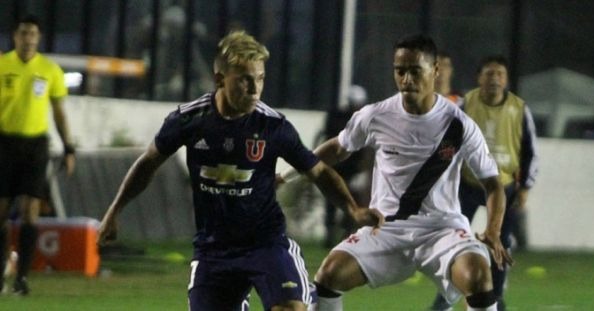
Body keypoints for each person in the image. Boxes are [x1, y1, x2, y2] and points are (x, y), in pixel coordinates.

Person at [97, 30, 382, 311]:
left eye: (260, 79)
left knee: (289, 309)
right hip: (214, 251)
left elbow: (318, 172)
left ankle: (300, 292)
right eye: (245, 79)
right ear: (220, 78)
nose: (255, 88)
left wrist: (353, 210)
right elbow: (148, 162)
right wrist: (113, 212)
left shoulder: (272, 126)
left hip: (265, 243)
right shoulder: (189, 121)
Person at [280, 34, 512, 311]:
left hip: (442, 229)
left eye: (415, 71)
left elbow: (493, 184)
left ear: (435, 71)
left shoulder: (459, 125)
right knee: (330, 274)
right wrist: (284, 176)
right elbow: (337, 149)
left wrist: (493, 231)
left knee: (478, 275)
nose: (406, 79)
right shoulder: (375, 115)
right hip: (386, 227)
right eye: (400, 71)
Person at [430, 55, 538, 311]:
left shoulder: (520, 109)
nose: (494, 79)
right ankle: (444, 300)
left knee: (500, 244)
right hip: (468, 185)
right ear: (479, 78)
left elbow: (530, 150)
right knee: (452, 241)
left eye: (499, 74)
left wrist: (525, 187)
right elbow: (449, 142)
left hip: (503, 187)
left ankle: (495, 300)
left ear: (506, 79)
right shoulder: (465, 104)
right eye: (489, 74)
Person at [0, 15, 76, 295]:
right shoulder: (2, 65)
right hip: (4, 143)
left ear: (38, 37)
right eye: (23, 33)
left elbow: (59, 112)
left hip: (35, 146)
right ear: (15, 36)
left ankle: (21, 279)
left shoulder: (49, 69)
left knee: (31, 209)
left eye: (32, 33)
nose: (28, 38)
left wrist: (69, 147)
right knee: (2, 211)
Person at [317, 85, 372, 248]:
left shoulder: (336, 116)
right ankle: (337, 236)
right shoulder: (352, 119)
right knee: (341, 204)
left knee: (344, 205)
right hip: (343, 168)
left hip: (344, 168)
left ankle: (342, 236)